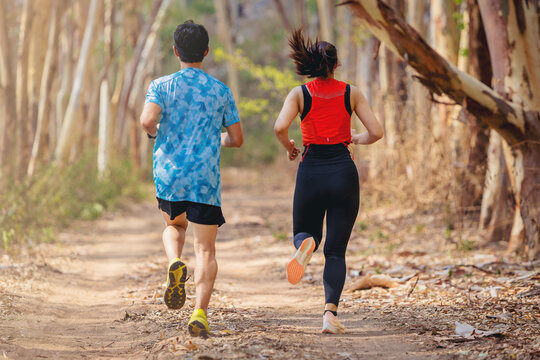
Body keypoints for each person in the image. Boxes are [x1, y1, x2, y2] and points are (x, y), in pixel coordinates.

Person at [274, 29, 383, 334]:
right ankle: (329, 316)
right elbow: (377, 132)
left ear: (312, 63)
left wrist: (290, 148)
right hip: (343, 173)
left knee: (303, 231)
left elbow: (280, 126)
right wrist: (356, 139)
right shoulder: (351, 92)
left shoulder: (300, 94)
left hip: (311, 170)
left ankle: (305, 245)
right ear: (336, 65)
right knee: (335, 252)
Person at [140, 20, 243, 338]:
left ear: (175, 51)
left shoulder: (161, 85)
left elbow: (147, 119)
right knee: (207, 251)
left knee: (174, 227)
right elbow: (236, 138)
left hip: (170, 175)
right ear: (206, 52)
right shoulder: (220, 91)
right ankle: (199, 313)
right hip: (205, 180)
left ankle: (174, 261)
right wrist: (219, 140)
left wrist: (153, 132)